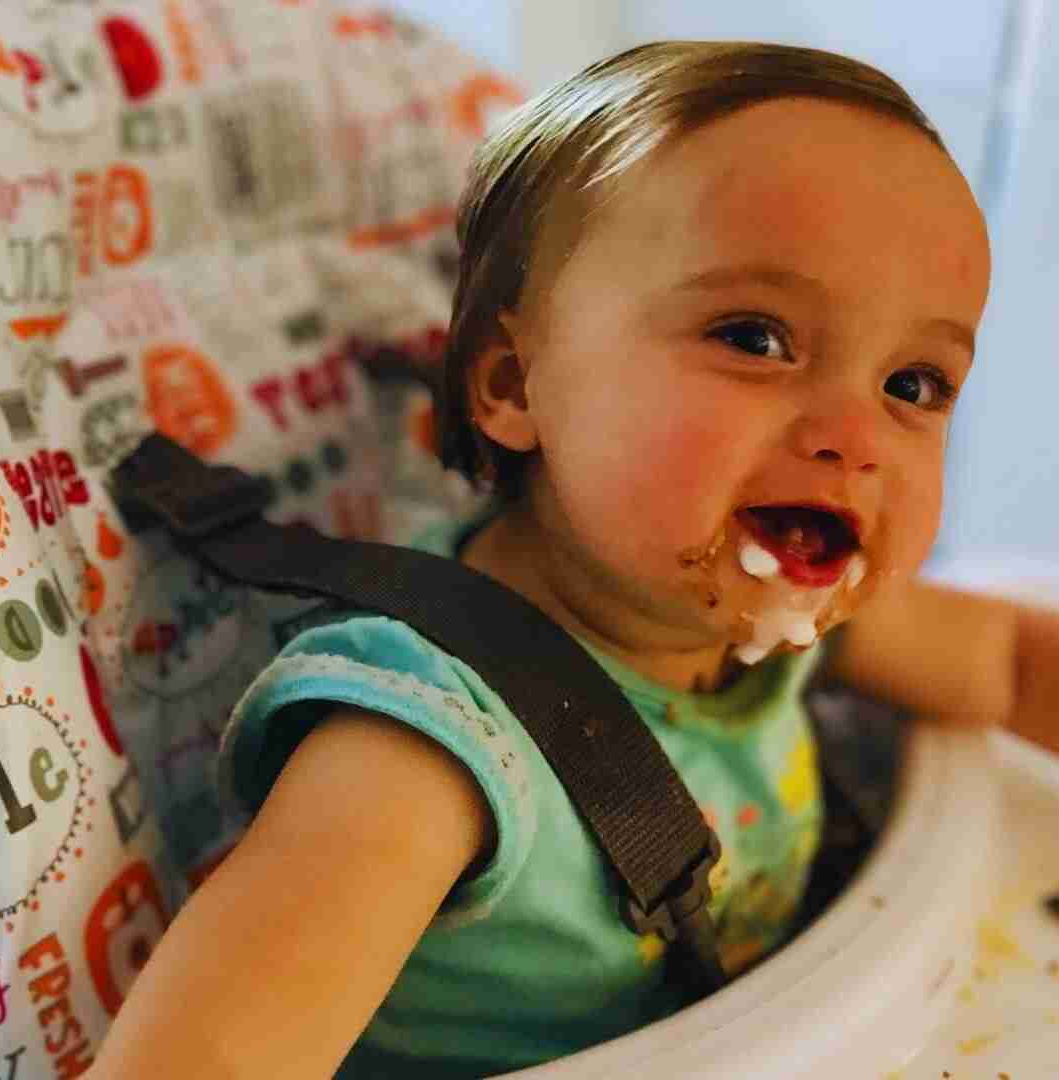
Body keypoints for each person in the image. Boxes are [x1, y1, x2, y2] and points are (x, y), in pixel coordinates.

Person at [87, 41, 1059, 1079]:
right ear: (515, 382)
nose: (855, 438)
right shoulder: (425, 756)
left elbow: (1008, 663)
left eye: (913, 385)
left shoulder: (763, 612)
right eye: (755, 337)